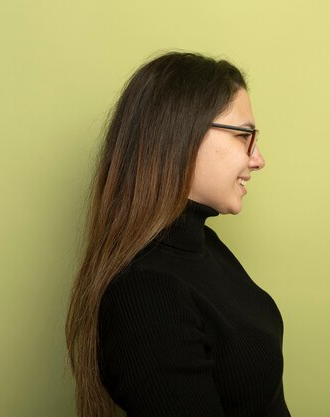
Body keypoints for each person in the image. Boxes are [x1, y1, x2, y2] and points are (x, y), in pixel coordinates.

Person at [65, 50, 290, 417]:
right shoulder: (145, 294)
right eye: (243, 137)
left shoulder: (204, 246)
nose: (257, 158)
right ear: (181, 134)